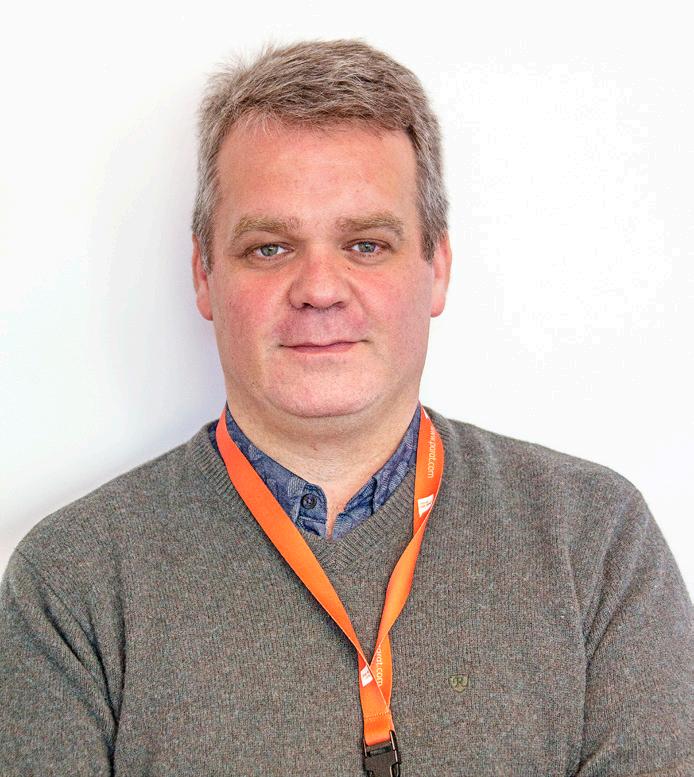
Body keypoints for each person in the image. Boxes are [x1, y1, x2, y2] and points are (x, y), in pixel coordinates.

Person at [0, 39, 691, 777]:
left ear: (437, 268)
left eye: (365, 244)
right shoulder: (73, 582)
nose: (320, 289)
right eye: (270, 248)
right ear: (204, 273)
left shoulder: (594, 540)